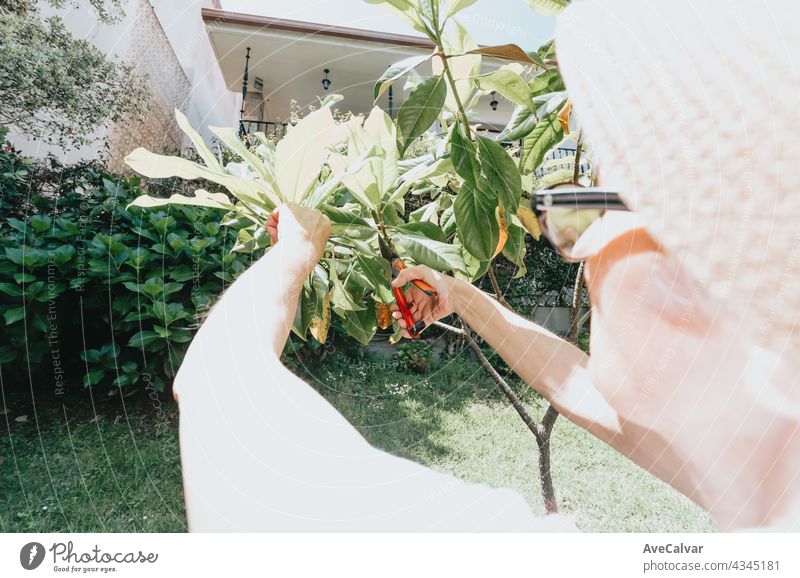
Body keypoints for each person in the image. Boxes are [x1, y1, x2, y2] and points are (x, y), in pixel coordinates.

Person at [173, 0, 800, 531]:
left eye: (594, 198)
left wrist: (295, 251)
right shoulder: (771, 457)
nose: (570, 237)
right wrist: (461, 294)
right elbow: (583, 386)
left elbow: (216, 393)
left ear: (680, 285)